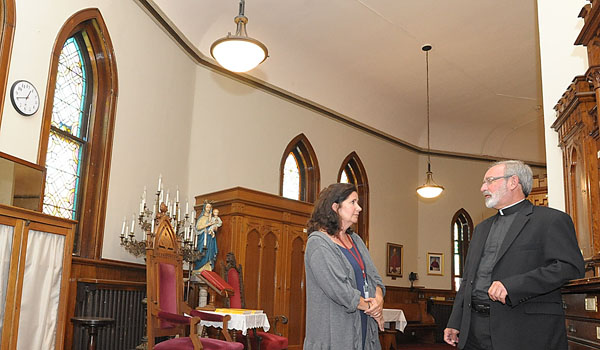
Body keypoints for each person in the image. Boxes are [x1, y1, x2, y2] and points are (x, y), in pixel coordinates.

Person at [444, 160, 585, 350]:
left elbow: (570, 267)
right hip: (474, 330)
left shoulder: (551, 220)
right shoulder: (481, 228)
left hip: (523, 329)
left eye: (490, 180)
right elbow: (468, 279)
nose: (482, 187)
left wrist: (513, 285)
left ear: (513, 182)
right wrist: (455, 321)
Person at [304, 183, 385, 350]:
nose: (359, 208)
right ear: (335, 207)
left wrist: (378, 300)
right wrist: (372, 308)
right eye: (353, 202)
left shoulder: (356, 240)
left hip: (364, 324)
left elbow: (374, 277)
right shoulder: (318, 243)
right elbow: (340, 290)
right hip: (335, 332)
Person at [194, 202, 217, 270]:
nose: (208, 209)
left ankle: (208, 267)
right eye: (207, 207)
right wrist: (207, 224)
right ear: (204, 208)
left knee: (210, 252)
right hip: (203, 237)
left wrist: (215, 228)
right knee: (202, 251)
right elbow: (198, 227)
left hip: (210, 238)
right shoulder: (202, 218)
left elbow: (215, 227)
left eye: (210, 207)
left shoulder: (212, 218)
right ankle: (200, 268)